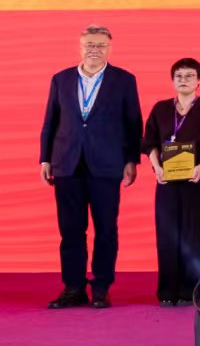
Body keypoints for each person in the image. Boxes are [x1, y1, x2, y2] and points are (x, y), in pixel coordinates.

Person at [39, 25, 143, 309]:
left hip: (107, 165)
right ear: (80, 47)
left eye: (100, 45)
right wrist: (45, 158)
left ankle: (101, 287)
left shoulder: (124, 80)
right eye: (89, 45)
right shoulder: (61, 79)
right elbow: (50, 121)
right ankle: (73, 287)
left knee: (106, 229)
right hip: (67, 163)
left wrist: (131, 160)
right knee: (70, 229)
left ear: (109, 48)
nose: (94, 50)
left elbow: (133, 123)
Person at [140, 58, 200, 306]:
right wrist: (157, 168)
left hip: (196, 180)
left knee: (194, 234)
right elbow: (149, 142)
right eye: (179, 76)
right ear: (172, 80)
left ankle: (190, 290)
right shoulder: (160, 108)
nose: (184, 80)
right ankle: (167, 291)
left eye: (189, 76)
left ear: (199, 80)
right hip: (166, 182)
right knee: (167, 234)